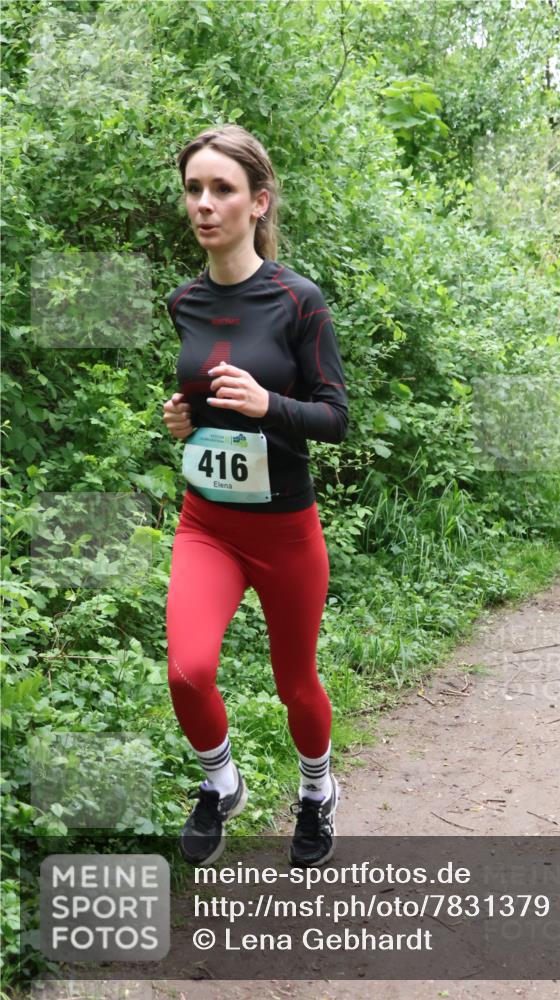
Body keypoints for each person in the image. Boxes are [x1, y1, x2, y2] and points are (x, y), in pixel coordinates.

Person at [162, 124, 348, 869]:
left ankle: (316, 792)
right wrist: (184, 416)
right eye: (194, 190)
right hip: (206, 520)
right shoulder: (184, 300)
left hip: (283, 530)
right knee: (187, 670)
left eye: (222, 190)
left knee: (295, 684)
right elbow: (199, 394)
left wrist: (269, 405)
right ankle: (221, 783)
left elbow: (334, 418)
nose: (204, 205)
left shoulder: (298, 302)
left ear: (257, 202)